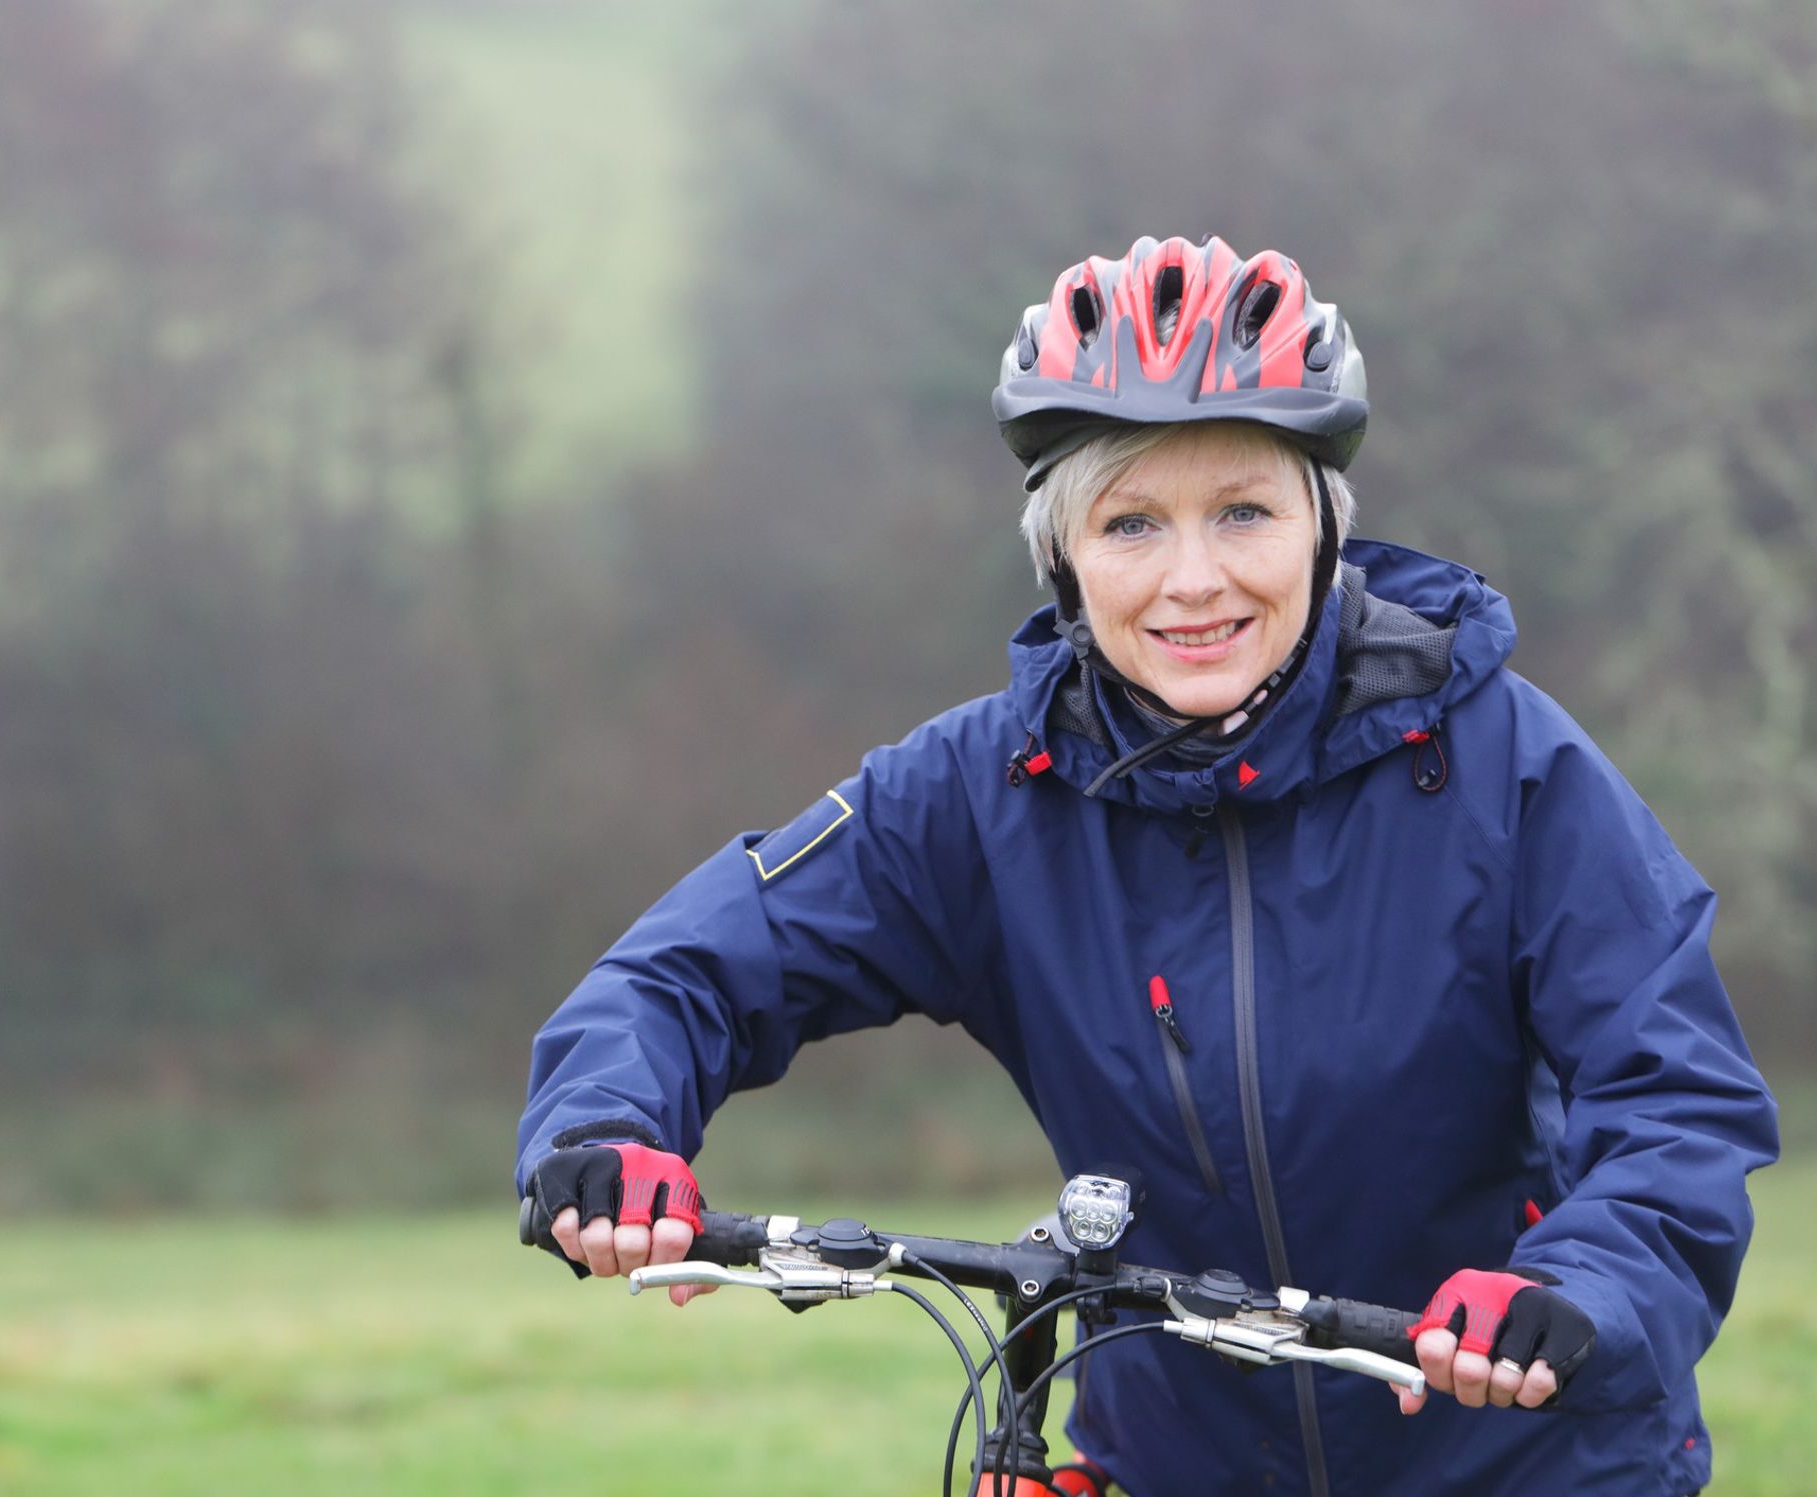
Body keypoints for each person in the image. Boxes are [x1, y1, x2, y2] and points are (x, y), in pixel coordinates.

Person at [515, 234, 1778, 1496]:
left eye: (1242, 511)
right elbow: (688, 969)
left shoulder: (1507, 765)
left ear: (1322, 531)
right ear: (1061, 557)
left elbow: (1673, 1098)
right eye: (1130, 523)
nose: (1192, 580)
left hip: (1526, 1460)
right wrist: (607, 1126)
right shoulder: (978, 793)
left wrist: (1578, 1287)